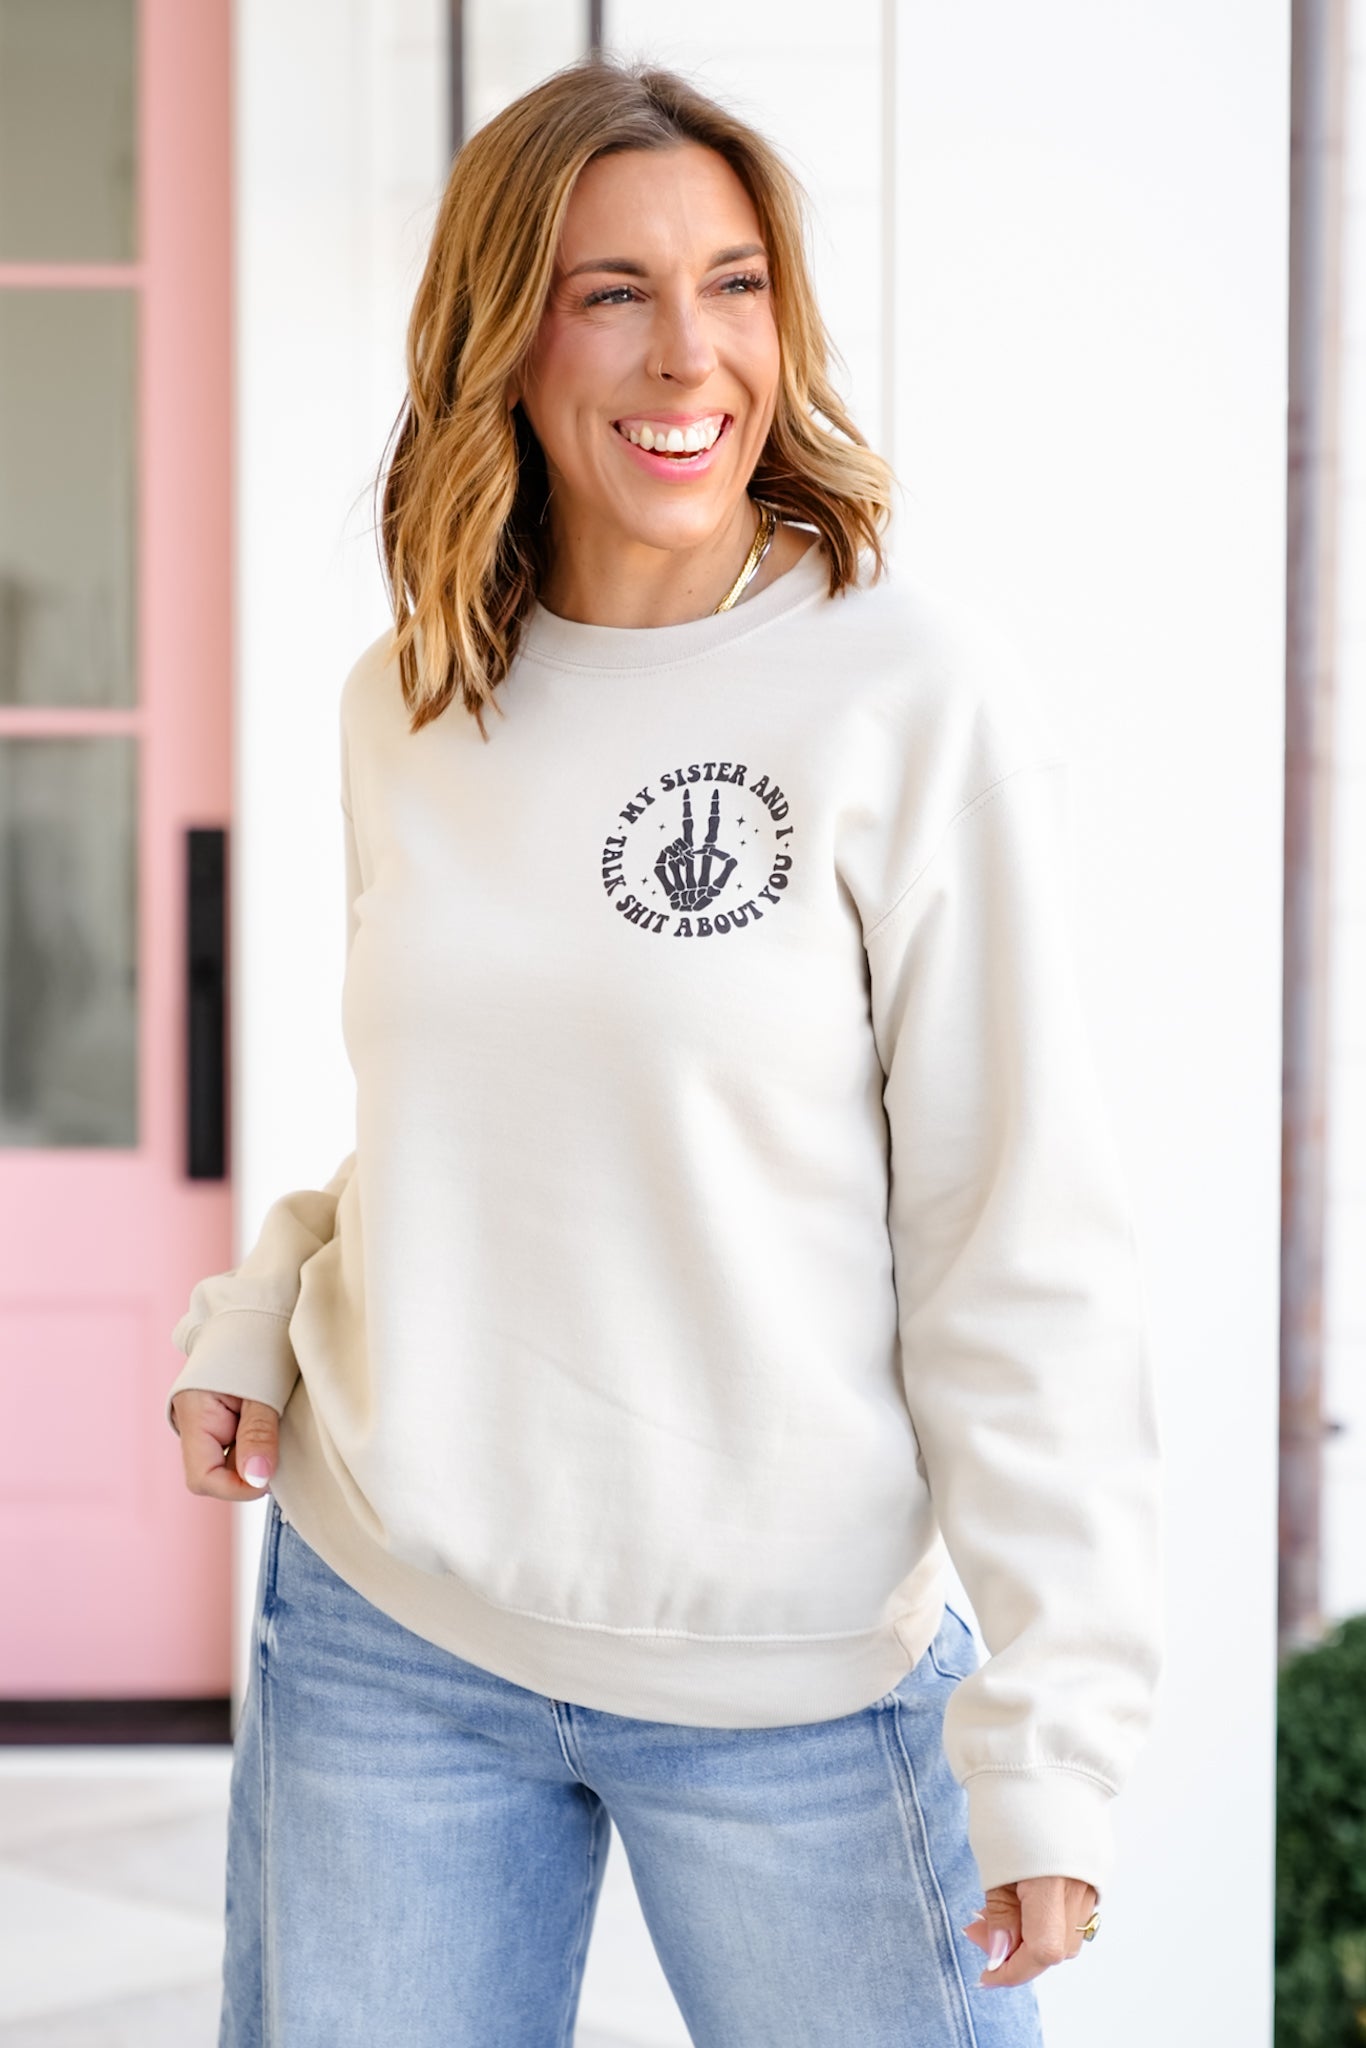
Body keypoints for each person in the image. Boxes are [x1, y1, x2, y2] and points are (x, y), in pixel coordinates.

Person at [166, 54, 1163, 2048]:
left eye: (732, 284)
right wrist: (267, 1296)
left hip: (794, 1680)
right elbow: (470, 1123)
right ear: (502, 339)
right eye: (608, 291)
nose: (685, 352)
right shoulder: (411, 697)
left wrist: (1052, 1728)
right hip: (391, 1635)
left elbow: (1011, 1227)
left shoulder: (907, 694)